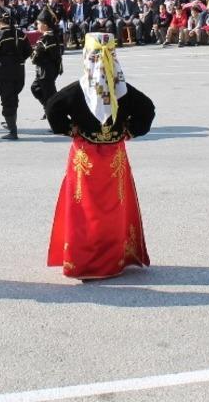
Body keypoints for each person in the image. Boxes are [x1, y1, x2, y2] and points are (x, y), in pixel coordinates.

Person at [45, 33, 155, 279]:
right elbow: (147, 109)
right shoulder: (122, 90)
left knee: (84, 208)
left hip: (85, 155)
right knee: (113, 208)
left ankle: (83, 260)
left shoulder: (78, 90)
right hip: (114, 155)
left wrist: (68, 129)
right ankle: (112, 258)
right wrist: (130, 130)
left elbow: (52, 107)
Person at [0, 7, 32, 140]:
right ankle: (11, 124)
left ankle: (13, 131)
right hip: (19, 70)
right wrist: (19, 60)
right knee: (14, 96)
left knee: (7, 99)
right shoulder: (20, 33)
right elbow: (29, 51)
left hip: (5, 71)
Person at [29, 8, 63, 120]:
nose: (37, 25)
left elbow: (35, 57)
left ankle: (56, 116)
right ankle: (48, 109)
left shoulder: (48, 38)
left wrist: (33, 53)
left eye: (38, 23)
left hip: (46, 71)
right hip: (44, 70)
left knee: (51, 95)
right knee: (36, 88)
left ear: (45, 25)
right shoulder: (47, 37)